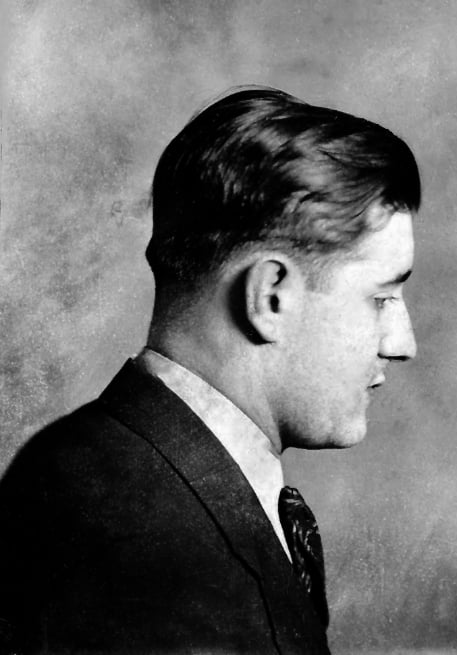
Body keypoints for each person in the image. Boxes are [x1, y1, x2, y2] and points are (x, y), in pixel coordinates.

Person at [0, 87, 419, 653]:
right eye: (381, 299)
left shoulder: (112, 475)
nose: (403, 344)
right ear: (271, 296)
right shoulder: (139, 539)